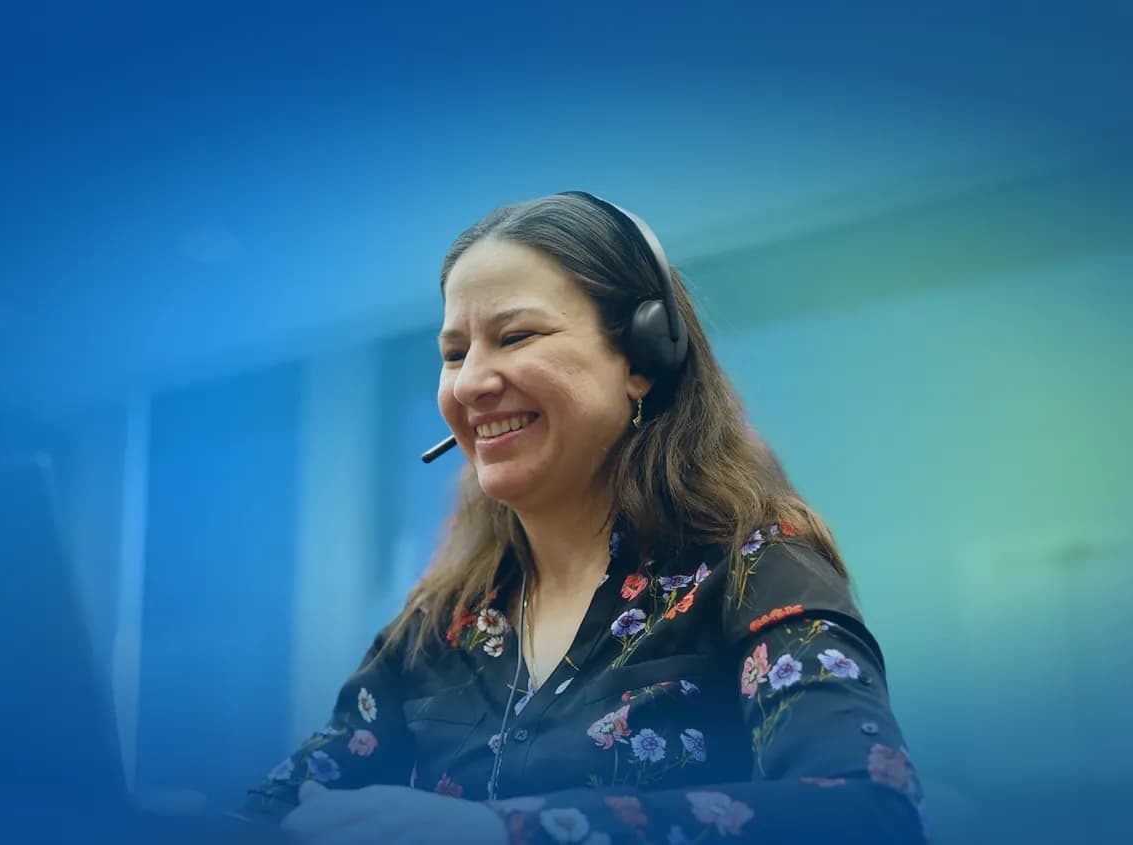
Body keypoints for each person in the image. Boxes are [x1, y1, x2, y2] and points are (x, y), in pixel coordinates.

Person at [232, 192, 928, 844]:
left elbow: (866, 808)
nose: (471, 380)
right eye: (454, 353)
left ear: (642, 359)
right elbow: (278, 809)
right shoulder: (443, 620)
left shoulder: (757, 566)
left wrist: (502, 832)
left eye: (516, 335)